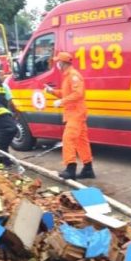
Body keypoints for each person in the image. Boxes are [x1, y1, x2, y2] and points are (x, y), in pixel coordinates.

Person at [45, 52, 95, 180]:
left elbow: (78, 94)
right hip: (75, 113)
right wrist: (52, 92)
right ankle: (88, 168)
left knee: (68, 139)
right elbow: (66, 93)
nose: (57, 64)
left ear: (62, 63)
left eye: (58, 62)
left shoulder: (73, 76)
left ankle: (70, 169)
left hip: (76, 114)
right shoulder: (67, 76)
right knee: (81, 141)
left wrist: (61, 102)